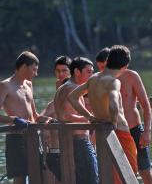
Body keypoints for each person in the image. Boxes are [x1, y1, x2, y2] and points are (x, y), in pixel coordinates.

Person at [68, 45, 138, 184]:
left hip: (102, 131)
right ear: (124, 67)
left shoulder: (93, 79)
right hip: (118, 133)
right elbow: (113, 103)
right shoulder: (114, 81)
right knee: (128, 174)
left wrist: (89, 117)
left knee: (110, 176)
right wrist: (113, 122)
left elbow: (72, 97)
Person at [0, 51, 51, 184]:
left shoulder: (28, 85)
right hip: (16, 138)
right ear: (23, 67)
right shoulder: (5, 85)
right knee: (20, 177)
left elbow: (35, 115)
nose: (36, 73)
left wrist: (47, 119)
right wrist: (13, 119)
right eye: (34, 69)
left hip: (33, 136)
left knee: (39, 174)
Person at [54, 56, 98, 184]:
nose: (92, 75)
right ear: (77, 72)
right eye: (89, 72)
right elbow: (65, 116)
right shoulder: (71, 88)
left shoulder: (66, 86)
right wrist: (90, 118)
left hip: (72, 142)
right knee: (92, 180)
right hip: (79, 142)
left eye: (93, 71)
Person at [118, 68, 152, 183]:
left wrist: (147, 132)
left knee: (145, 170)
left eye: (105, 66)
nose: (103, 70)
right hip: (116, 132)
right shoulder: (102, 78)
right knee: (121, 171)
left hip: (134, 130)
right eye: (100, 67)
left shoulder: (131, 76)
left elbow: (146, 105)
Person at [40, 55, 72, 183]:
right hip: (56, 147)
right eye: (58, 71)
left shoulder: (75, 87)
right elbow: (45, 114)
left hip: (75, 144)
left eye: (64, 70)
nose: (61, 74)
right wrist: (47, 121)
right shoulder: (57, 88)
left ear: (71, 71)